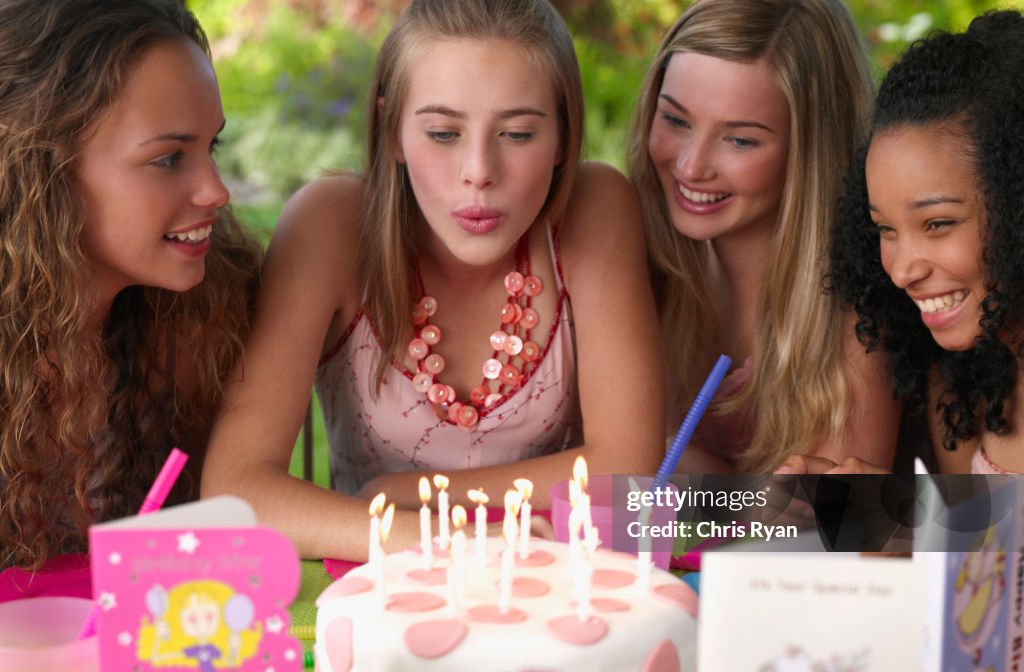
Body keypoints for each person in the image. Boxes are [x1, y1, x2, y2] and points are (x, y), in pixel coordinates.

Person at [203, 0, 664, 561]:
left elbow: (629, 468)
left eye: (517, 134)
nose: (479, 171)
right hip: (375, 609)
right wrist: (453, 542)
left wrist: (406, 495)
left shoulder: (594, 210)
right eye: (443, 134)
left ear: (565, 137)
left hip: (560, 590)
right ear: (392, 131)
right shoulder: (330, 226)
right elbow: (236, 489)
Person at [0, 0, 262, 582]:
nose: (216, 191)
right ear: (41, 173)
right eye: (169, 158)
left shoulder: (195, 322)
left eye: (210, 147)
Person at [628, 0, 899, 474]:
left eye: (740, 140)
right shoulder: (636, 260)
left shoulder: (858, 314)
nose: (691, 166)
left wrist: (695, 471)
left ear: (811, 149)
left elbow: (830, 528)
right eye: (675, 120)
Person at [779, 10, 1024, 475]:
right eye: (885, 230)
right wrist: (884, 521)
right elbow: (981, 542)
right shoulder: (965, 377)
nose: (901, 270)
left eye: (937, 224)